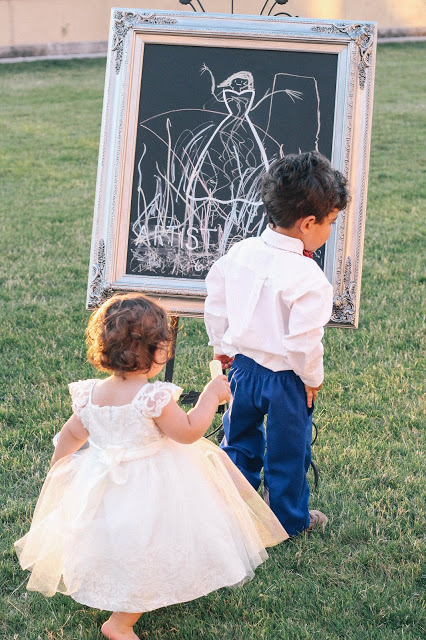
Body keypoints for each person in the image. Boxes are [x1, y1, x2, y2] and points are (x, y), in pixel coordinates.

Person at [14, 293, 287, 640]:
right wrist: (210, 398)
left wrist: (60, 473)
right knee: (148, 550)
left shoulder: (91, 395)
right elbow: (187, 432)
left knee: (113, 541)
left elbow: (70, 435)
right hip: (152, 487)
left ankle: (116, 589)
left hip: (103, 482)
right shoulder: (152, 398)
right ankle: (120, 623)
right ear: (157, 352)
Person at [204, 151, 350, 538]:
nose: (330, 231)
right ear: (307, 223)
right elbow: (303, 342)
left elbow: (215, 300)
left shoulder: (241, 251)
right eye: (330, 223)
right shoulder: (309, 278)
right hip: (286, 380)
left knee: (238, 440)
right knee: (288, 453)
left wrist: (221, 346)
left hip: (243, 370)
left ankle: (231, 509)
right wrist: (312, 379)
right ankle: (287, 519)